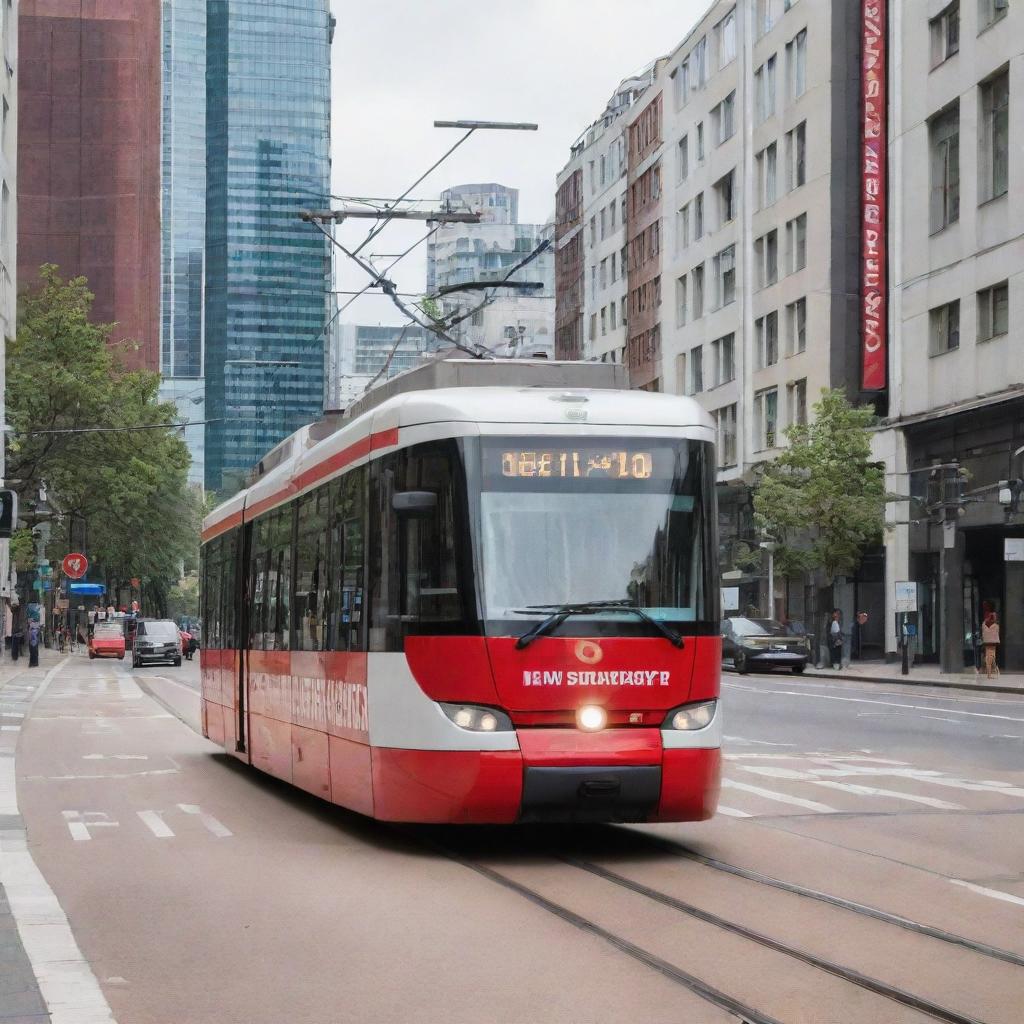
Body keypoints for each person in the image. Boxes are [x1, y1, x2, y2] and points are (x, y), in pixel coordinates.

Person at [981, 612, 1000, 679]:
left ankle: (994, 669)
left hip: (988, 642)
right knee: (991, 657)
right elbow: (997, 632)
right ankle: (990, 673)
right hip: (992, 643)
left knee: (990, 657)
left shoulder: (985, 623)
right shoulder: (996, 625)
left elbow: (983, 628)